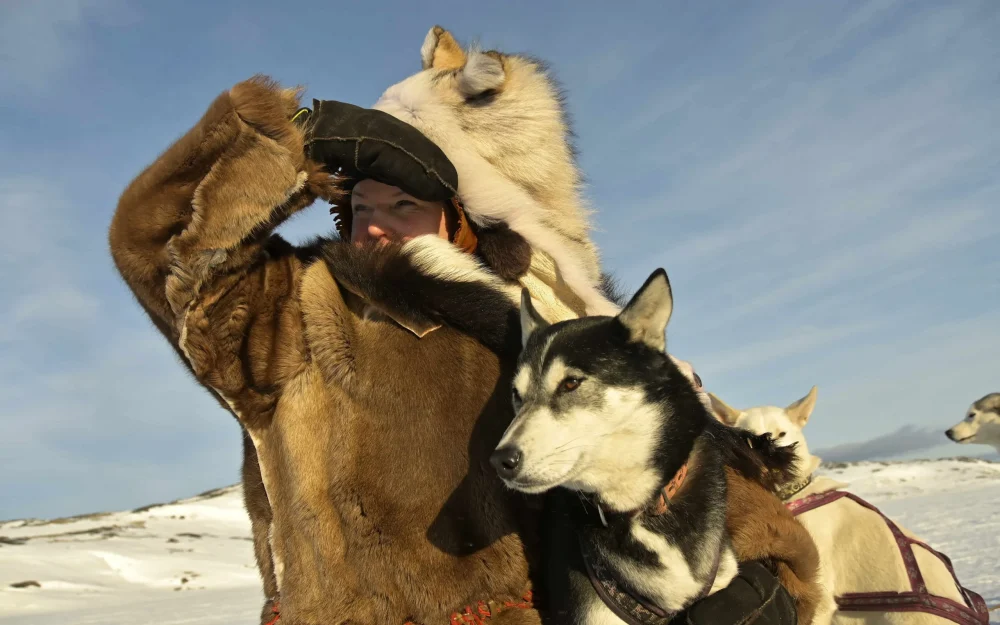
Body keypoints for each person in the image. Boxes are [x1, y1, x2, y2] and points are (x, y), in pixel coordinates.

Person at [108, 76, 798, 625]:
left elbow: (658, 451)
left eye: (401, 206)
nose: (374, 227)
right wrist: (278, 150)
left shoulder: (533, 324)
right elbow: (154, 246)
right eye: (360, 209)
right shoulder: (292, 310)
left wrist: (761, 557)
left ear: (457, 219)